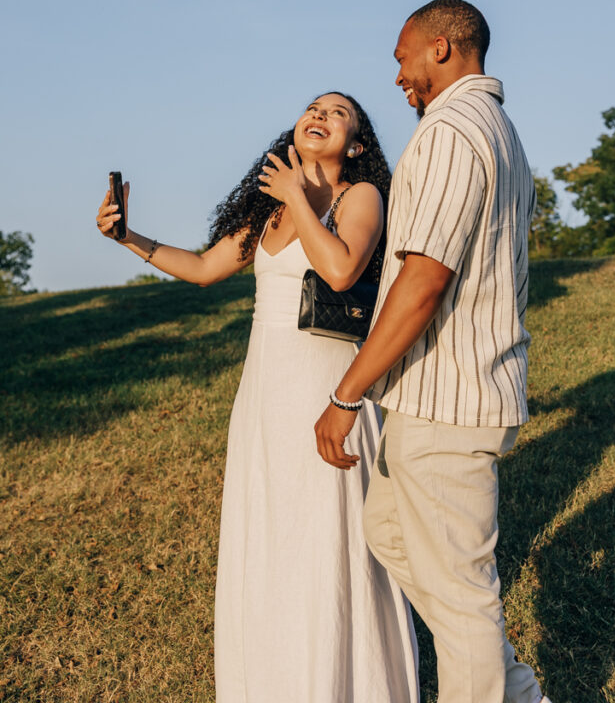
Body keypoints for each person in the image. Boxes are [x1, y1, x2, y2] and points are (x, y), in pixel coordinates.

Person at [96, 91, 419, 703]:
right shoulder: (266, 212)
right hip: (264, 394)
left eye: (338, 112)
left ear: (356, 144)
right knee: (271, 537)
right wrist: (128, 238)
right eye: (313, 107)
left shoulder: (361, 196)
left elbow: (343, 271)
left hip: (328, 388)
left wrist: (300, 197)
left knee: (327, 541)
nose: (320, 115)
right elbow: (200, 268)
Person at [315, 1, 553, 703]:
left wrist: (344, 393)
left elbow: (422, 280)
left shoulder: (451, 129)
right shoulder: (497, 129)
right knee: (389, 533)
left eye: (402, 56)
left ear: (443, 48)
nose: (397, 75)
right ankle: (517, 693)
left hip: (451, 398)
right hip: (435, 395)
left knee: (462, 594)